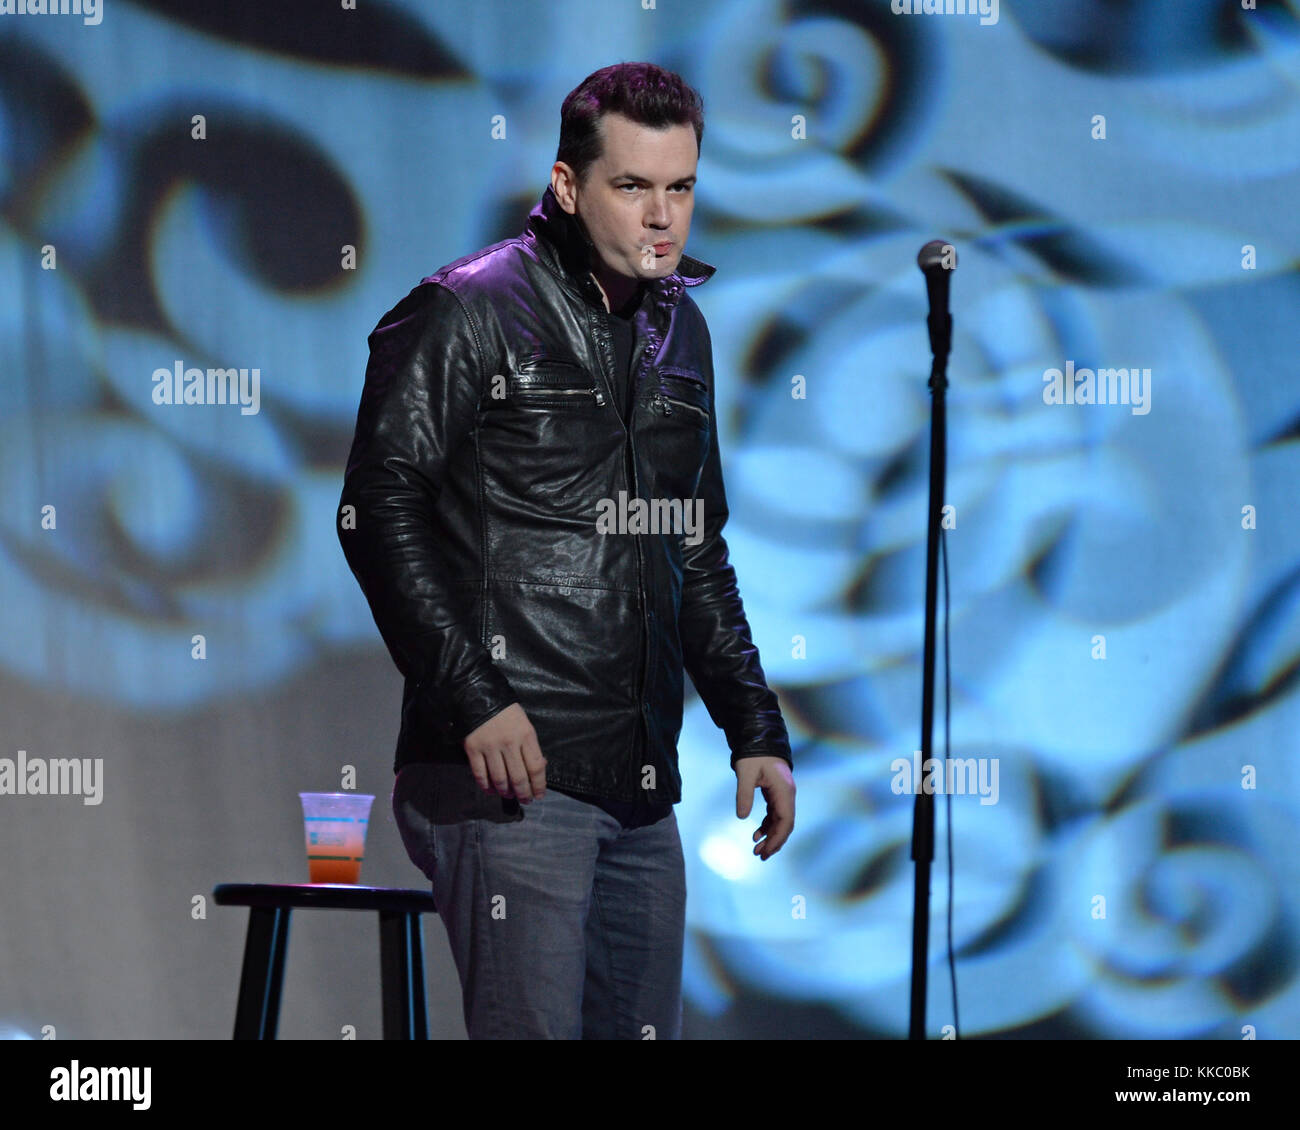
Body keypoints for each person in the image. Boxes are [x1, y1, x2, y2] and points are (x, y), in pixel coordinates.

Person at [337, 62, 795, 1040]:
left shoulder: (682, 333)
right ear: (566, 185)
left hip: (637, 781)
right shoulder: (468, 310)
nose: (661, 217)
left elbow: (693, 547)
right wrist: (474, 695)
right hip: (512, 769)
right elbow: (378, 507)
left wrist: (752, 723)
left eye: (679, 188)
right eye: (633, 186)